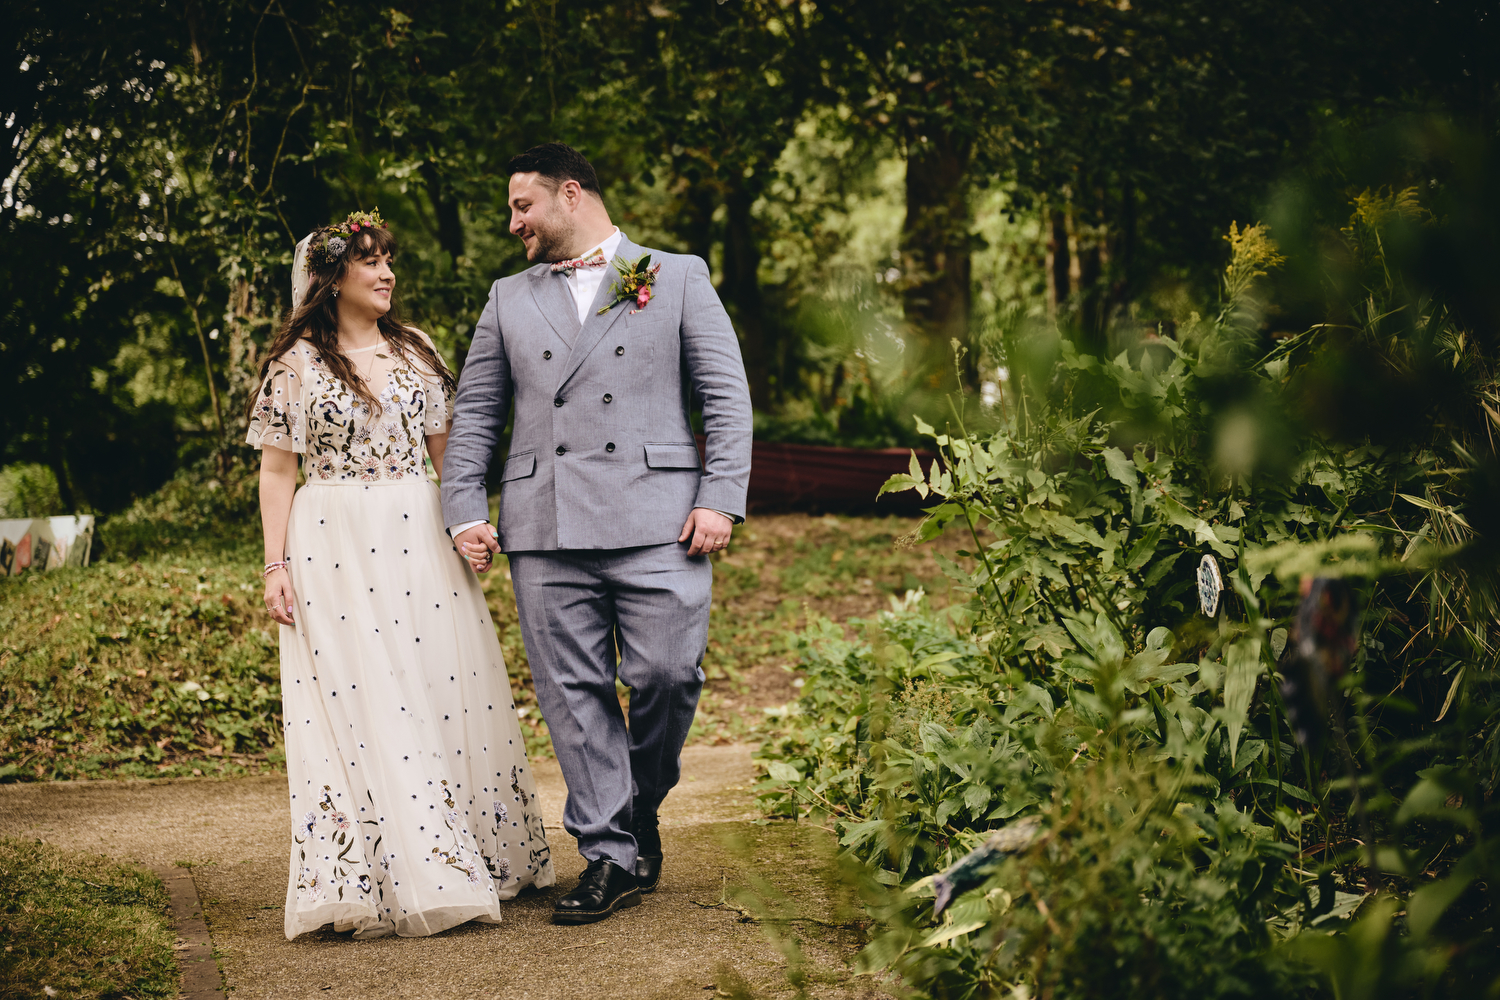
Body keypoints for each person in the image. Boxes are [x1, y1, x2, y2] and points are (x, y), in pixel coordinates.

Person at [442, 143, 753, 925]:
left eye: (522, 206)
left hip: (662, 520)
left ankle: (639, 802)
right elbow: (476, 411)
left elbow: (724, 394)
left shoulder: (676, 276)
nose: (513, 223)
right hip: (545, 523)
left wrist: (720, 498)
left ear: (570, 194)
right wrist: (466, 508)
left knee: (669, 675)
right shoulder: (508, 298)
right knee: (572, 694)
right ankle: (609, 853)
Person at [247, 211, 554, 940]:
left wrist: (467, 521)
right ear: (332, 278)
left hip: (419, 535)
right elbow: (278, 471)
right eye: (370, 262)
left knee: (441, 688)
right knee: (366, 698)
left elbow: (449, 451)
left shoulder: (416, 349)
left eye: (389, 260)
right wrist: (275, 564)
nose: (387, 274)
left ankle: (469, 853)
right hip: (334, 543)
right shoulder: (295, 365)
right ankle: (386, 875)